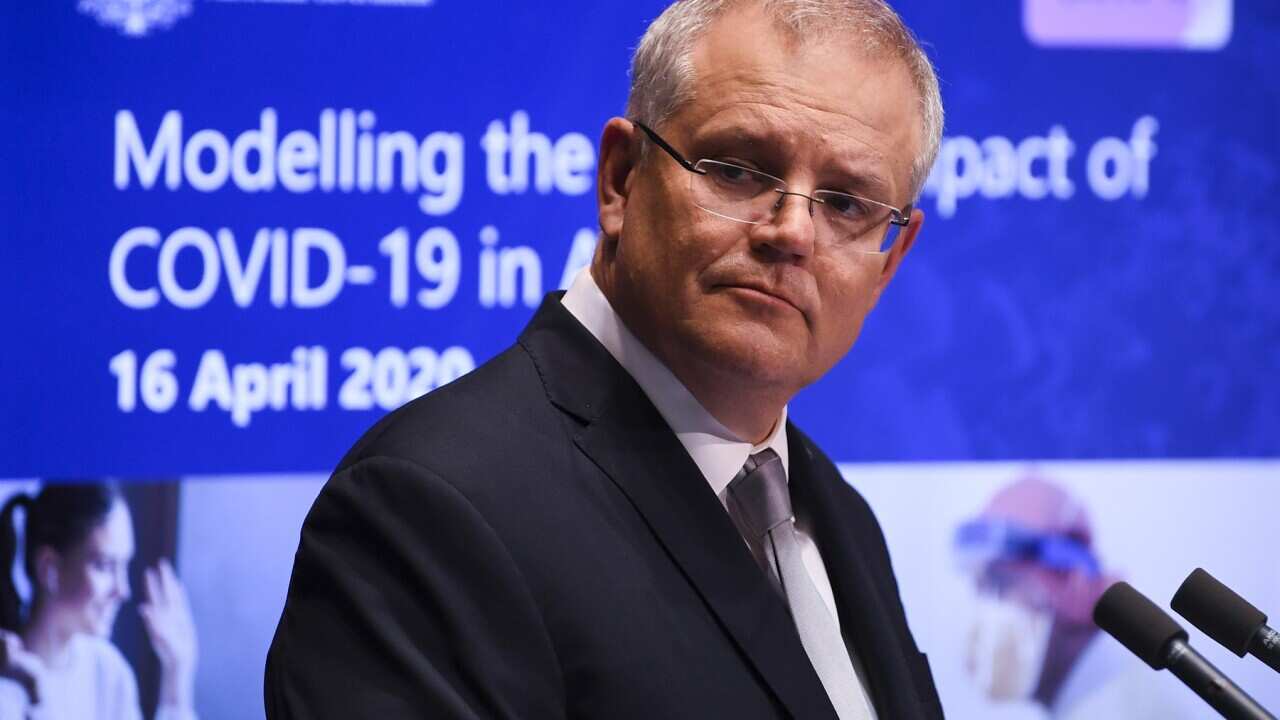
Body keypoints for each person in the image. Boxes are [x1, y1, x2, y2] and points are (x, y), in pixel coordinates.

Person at [267, 1, 945, 717]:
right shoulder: (428, 506)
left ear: (889, 261)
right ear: (621, 179)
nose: (792, 232)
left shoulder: (835, 513)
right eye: (739, 170)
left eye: (845, 203)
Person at [954, 475, 1194, 719]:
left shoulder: (1119, 710)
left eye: (1001, 584)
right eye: (980, 590)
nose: (986, 611)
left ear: (1072, 580)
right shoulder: (1101, 699)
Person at [0, 483, 199, 720]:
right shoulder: (7, 685)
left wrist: (177, 674)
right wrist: (36, 693)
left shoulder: (108, 672)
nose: (122, 590)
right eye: (104, 566)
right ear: (49, 568)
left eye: (124, 566)